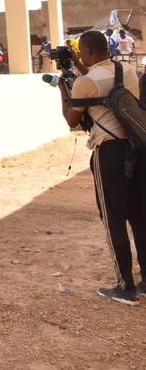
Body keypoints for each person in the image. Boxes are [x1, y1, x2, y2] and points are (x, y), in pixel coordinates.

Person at [61, 30, 146, 305]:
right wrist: (78, 63)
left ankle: (125, 287)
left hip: (109, 152)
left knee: (113, 219)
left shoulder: (84, 83)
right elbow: (105, 82)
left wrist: (63, 87)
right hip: (136, 147)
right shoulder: (127, 70)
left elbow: (72, 119)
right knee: (139, 216)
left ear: (86, 52)